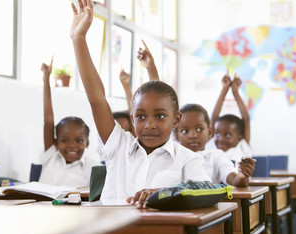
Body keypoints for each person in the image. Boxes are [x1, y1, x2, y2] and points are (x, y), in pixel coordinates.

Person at [69, 0, 210, 208]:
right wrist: (78, 38)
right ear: (132, 117)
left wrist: (166, 193)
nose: (149, 124)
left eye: (160, 116)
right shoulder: (119, 147)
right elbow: (97, 99)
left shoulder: (188, 159)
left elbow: (206, 189)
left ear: (176, 119)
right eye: (141, 117)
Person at [39, 57, 99, 188]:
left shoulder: (94, 168)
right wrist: (46, 81)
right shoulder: (51, 156)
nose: (72, 146)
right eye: (64, 140)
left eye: (79, 141)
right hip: (42, 207)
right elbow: (48, 121)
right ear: (55, 142)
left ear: (87, 143)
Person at [175, 103, 255, 186]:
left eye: (199, 129)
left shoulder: (216, 157)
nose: (193, 135)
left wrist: (242, 177)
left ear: (209, 133)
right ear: (177, 135)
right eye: (185, 131)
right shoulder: (171, 156)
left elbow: (234, 180)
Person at [207, 73, 252, 166]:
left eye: (227, 135)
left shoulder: (242, 146)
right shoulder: (212, 146)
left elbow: (246, 119)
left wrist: (235, 92)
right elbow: (214, 117)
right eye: (217, 134)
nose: (221, 139)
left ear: (240, 136)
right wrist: (224, 89)